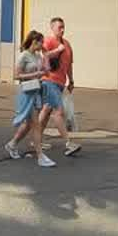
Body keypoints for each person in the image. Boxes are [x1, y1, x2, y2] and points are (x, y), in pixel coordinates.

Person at [5, 29, 54, 166]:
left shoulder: (38, 56)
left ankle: (12, 144)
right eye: (41, 42)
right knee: (36, 124)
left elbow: (47, 71)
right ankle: (40, 156)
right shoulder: (24, 56)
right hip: (26, 92)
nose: (43, 44)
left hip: (36, 91)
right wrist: (35, 74)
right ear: (34, 42)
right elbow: (16, 75)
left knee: (28, 124)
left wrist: (46, 56)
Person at [39, 16, 81, 158]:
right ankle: (69, 143)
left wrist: (71, 80)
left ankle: (36, 139)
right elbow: (44, 56)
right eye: (59, 27)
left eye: (63, 27)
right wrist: (57, 50)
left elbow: (69, 65)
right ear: (52, 28)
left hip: (60, 83)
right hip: (49, 80)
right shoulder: (48, 41)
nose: (62, 30)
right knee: (59, 112)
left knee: (46, 111)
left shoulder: (67, 44)